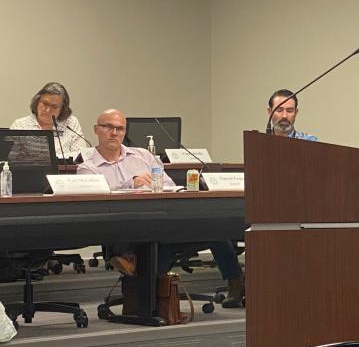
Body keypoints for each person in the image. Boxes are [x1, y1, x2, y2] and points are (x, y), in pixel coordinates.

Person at [77, 109, 246, 308]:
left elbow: (168, 184)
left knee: (214, 228)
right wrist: (131, 184)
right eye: (108, 127)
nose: (114, 132)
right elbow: (101, 199)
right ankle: (150, 294)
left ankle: (236, 283)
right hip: (127, 229)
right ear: (96, 129)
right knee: (157, 244)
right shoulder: (87, 168)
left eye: (120, 128)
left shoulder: (143, 156)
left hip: (162, 221)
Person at [10, 82, 86, 160]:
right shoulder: (20, 125)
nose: (47, 110)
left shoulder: (71, 123)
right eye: (45, 103)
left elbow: (80, 154)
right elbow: (10, 157)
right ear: (37, 102)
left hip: (65, 171)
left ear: (62, 109)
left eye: (54, 106)